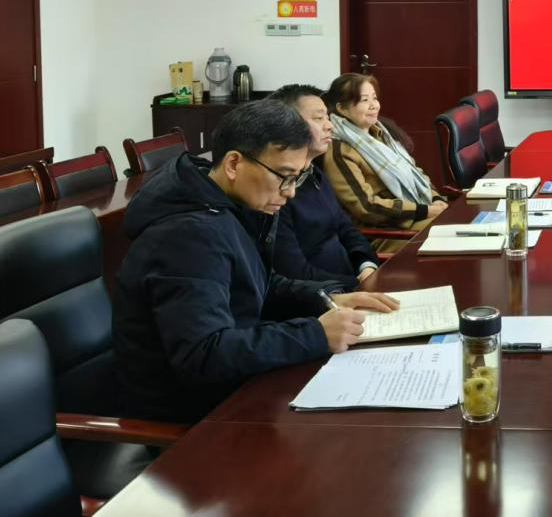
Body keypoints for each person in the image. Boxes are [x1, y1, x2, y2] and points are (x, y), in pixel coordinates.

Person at [112, 100, 397, 423]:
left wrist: (325, 298)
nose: (290, 193)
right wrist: (315, 334)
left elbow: (257, 283)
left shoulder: (226, 203)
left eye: (298, 178)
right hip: (192, 422)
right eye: (284, 177)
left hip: (235, 390)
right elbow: (203, 354)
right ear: (234, 164)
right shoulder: (187, 235)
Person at [268, 84, 380, 288]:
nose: (329, 126)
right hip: (323, 296)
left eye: (327, 117)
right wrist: (356, 285)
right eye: (319, 118)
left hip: (353, 284)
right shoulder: (275, 193)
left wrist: (366, 265)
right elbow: (294, 272)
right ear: (286, 125)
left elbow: (346, 228)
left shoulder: (314, 174)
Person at [323, 73, 449, 234]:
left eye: (374, 98)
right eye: (364, 100)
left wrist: (435, 198)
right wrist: (424, 211)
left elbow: (414, 172)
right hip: (388, 231)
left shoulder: (380, 134)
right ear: (342, 108)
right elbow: (367, 207)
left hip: (415, 217)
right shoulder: (340, 151)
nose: (374, 106)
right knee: (452, 230)